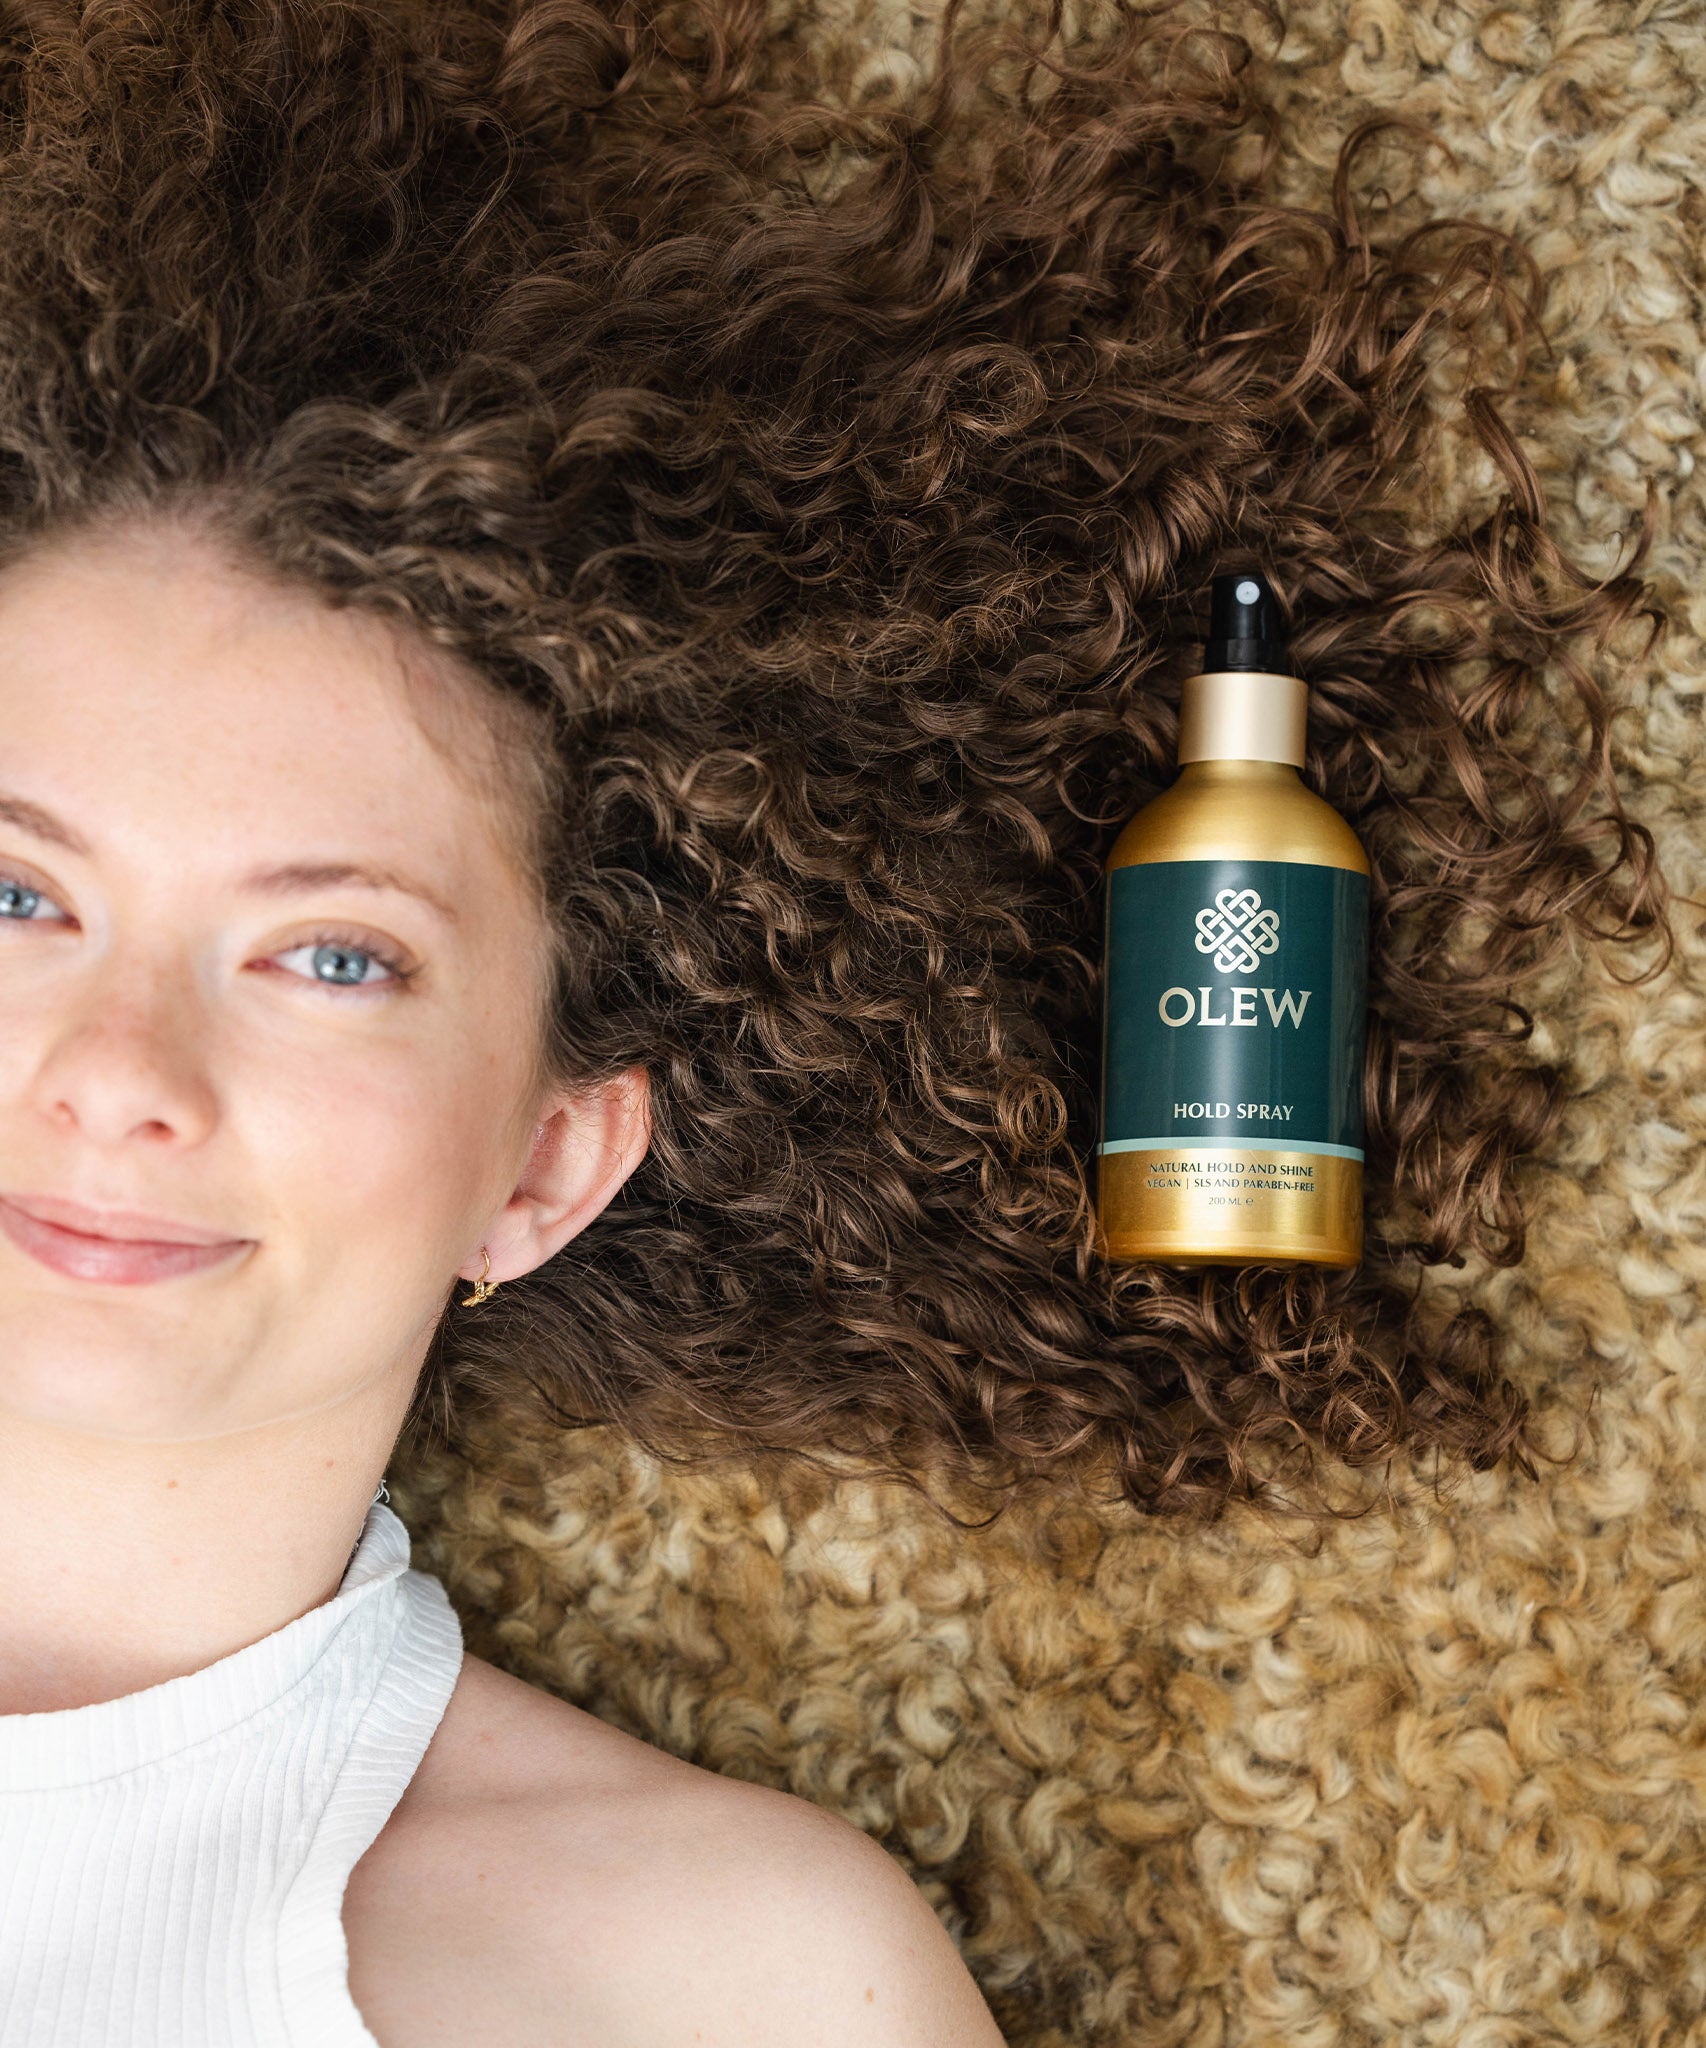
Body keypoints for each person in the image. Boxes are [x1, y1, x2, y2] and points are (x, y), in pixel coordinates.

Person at [0, 0, 1663, 2040]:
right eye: (16, 894)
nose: (114, 1073)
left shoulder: (727, 1977)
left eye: (334, 953)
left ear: (541, 1166)